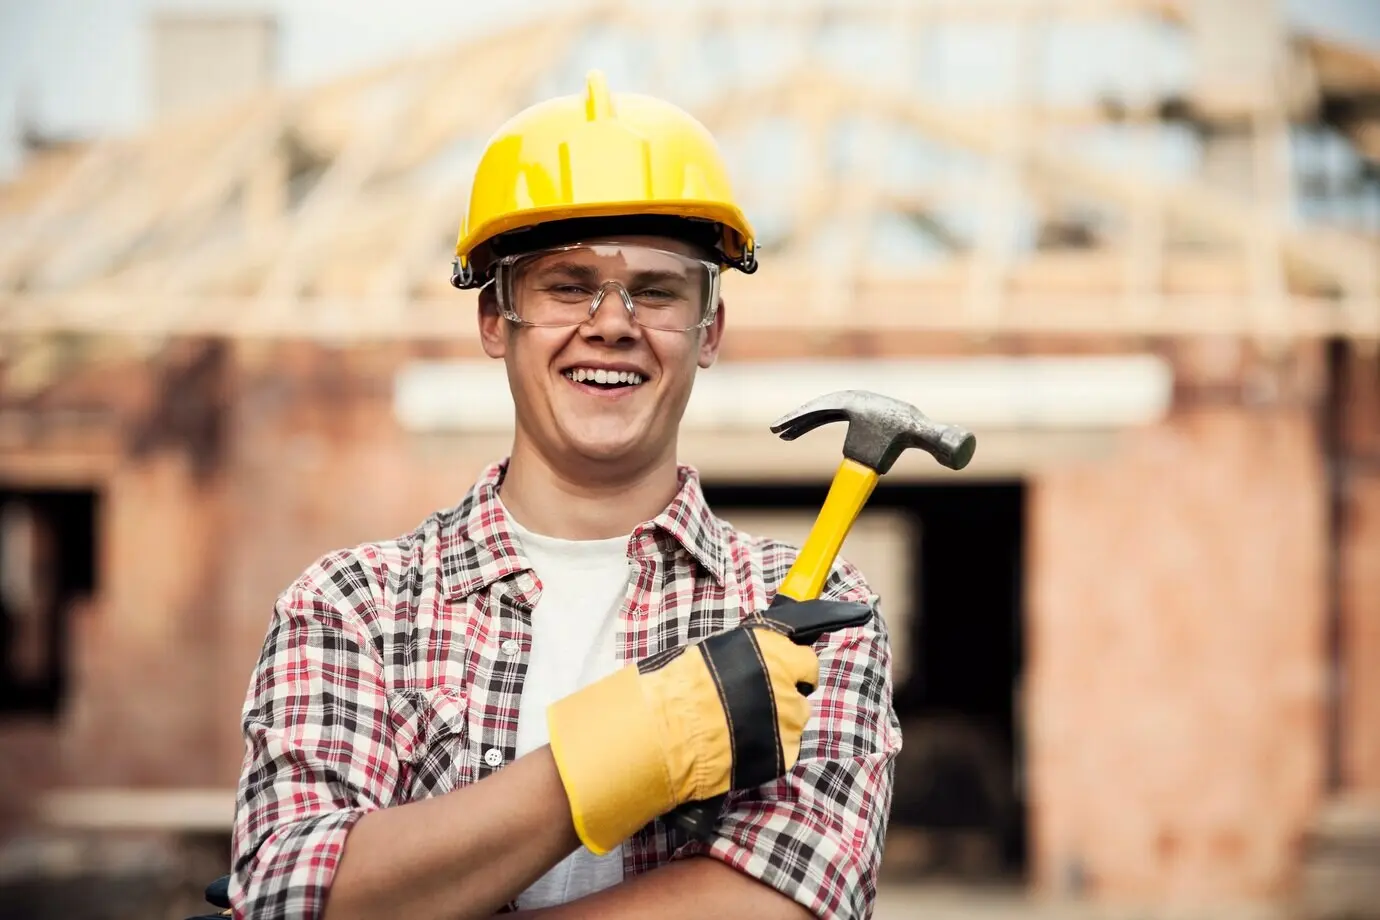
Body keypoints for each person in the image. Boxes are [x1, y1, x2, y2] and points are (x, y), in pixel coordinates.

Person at [227, 70, 902, 920]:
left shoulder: (810, 617)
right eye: (567, 284)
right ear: (493, 320)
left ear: (710, 331)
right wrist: (638, 743)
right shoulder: (352, 607)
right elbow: (295, 893)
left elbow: (794, 902)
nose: (612, 321)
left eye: (656, 289)